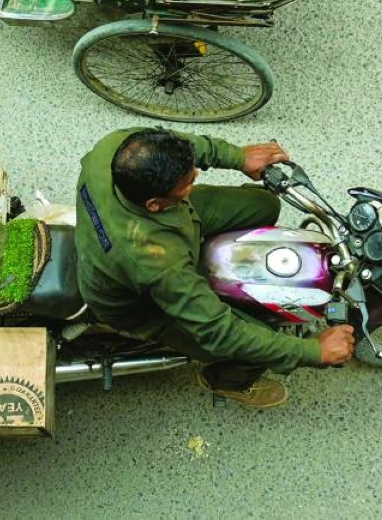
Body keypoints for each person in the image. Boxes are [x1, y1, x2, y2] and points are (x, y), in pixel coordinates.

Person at [74, 128, 355, 408]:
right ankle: (226, 382)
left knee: (264, 204)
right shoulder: (155, 261)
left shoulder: (116, 149)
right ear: (155, 204)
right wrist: (311, 351)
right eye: (188, 182)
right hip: (142, 303)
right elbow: (220, 332)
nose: (196, 174)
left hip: (175, 223)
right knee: (255, 344)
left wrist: (239, 157)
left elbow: (185, 146)